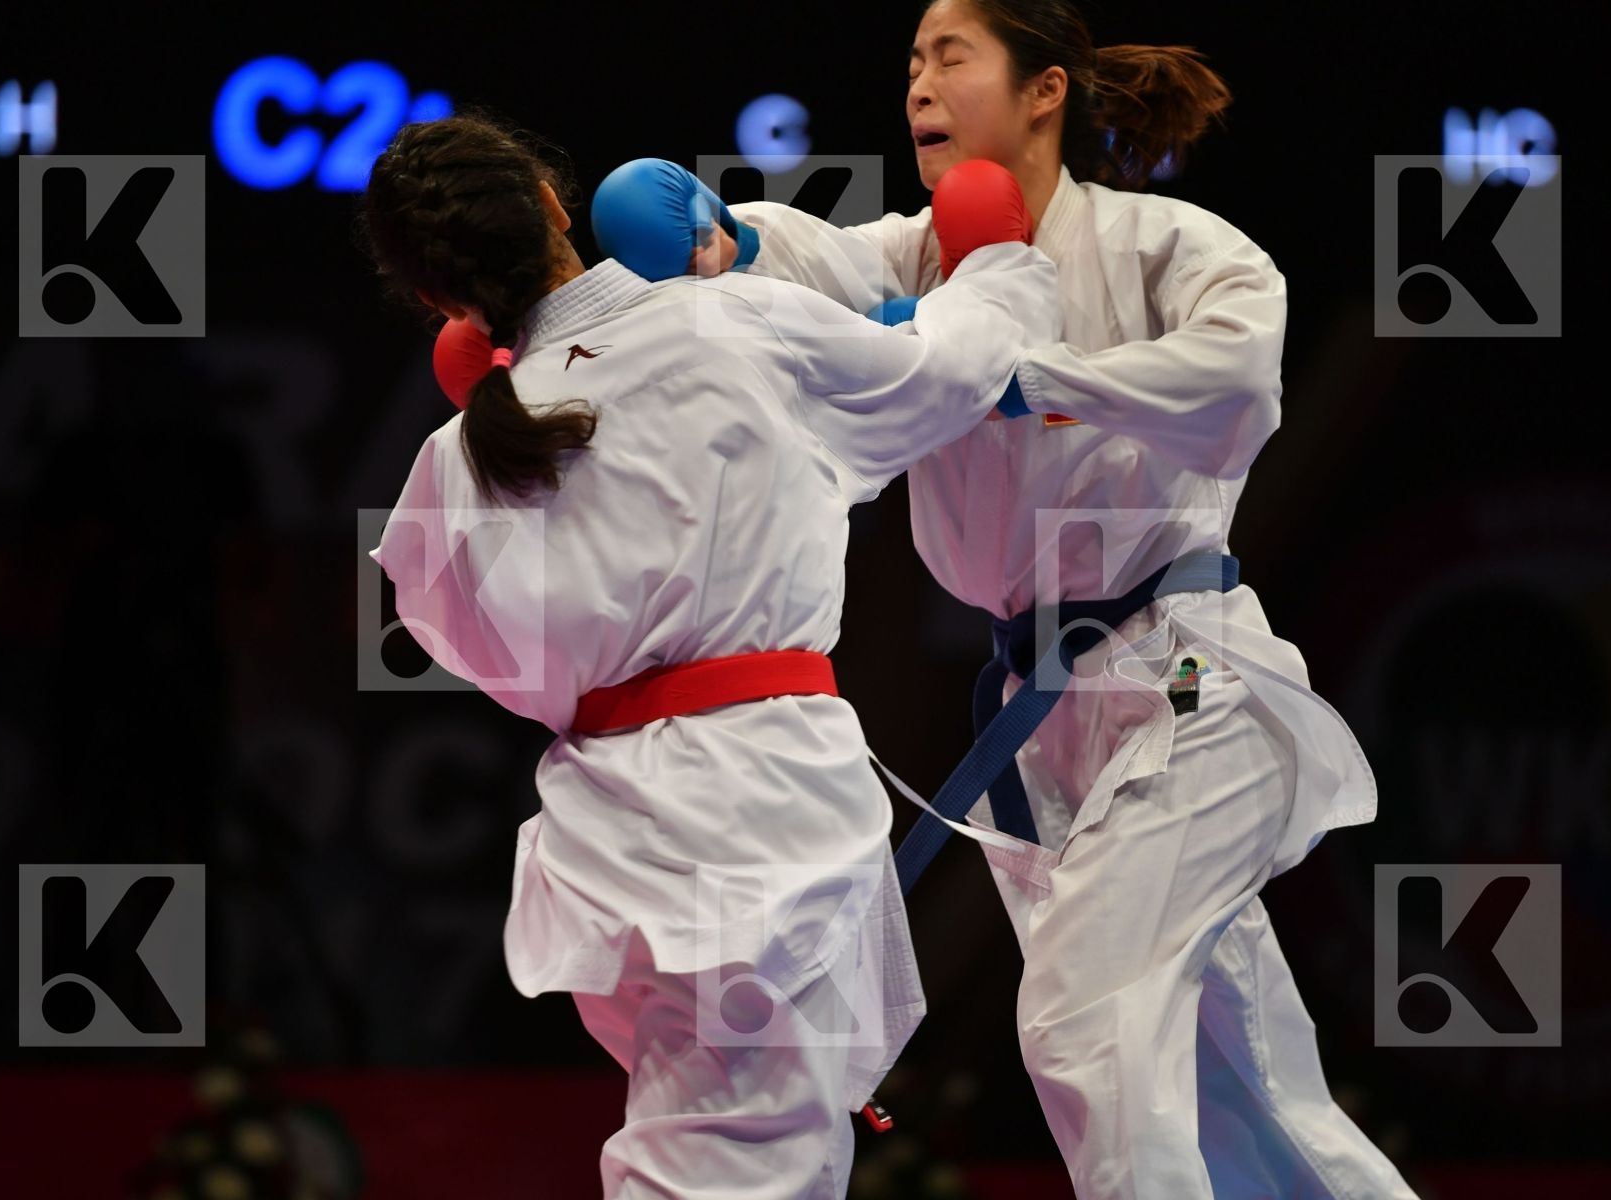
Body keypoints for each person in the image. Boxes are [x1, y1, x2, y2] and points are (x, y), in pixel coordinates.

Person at [598, 2, 1422, 1196]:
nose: (918, 87)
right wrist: (720, 239)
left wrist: (1017, 378)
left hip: (1190, 677)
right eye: (910, 65)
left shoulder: (1167, 246)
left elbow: (1238, 388)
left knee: (1086, 1020)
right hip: (1049, 723)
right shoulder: (913, 260)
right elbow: (796, 260)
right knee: (1241, 1085)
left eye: (949, 58)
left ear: (1045, 91)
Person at [359, 110, 1059, 1198]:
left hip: (612, 819)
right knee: (742, 1157)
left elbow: (491, 659)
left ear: (439, 301)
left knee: (754, 1142)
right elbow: (946, 373)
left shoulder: (455, 457)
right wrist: (995, 263)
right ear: (555, 202)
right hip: (752, 804)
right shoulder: (726, 324)